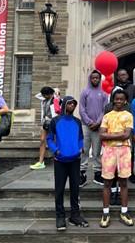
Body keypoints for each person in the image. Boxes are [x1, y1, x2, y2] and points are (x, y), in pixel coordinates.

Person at [47, 96, 88, 231]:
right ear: (64, 105)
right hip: (60, 161)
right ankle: (60, 216)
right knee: (59, 190)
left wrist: (80, 148)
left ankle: (75, 216)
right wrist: (55, 151)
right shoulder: (55, 121)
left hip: (75, 160)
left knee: (75, 189)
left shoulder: (77, 121)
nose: (72, 106)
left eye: (74, 104)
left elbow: (81, 138)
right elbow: (49, 139)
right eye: (69, 103)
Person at [99, 89, 134, 228]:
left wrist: (110, 135)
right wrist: (119, 134)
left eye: (121, 99)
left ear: (125, 101)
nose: (119, 101)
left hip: (124, 150)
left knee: (123, 182)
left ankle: (124, 212)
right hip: (109, 151)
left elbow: (127, 135)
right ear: (113, 100)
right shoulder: (107, 116)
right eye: (116, 99)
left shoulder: (128, 115)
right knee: (107, 182)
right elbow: (101, 135)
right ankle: (105, 213)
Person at [79, 70, 108, 186]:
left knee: (96, 151)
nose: (95, 79)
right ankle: (82, 173)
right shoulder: (85, 92)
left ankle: (97, 173)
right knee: (84, 150)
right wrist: (89, 122)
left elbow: (105, 109)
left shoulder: (104, 93)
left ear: (100, 79)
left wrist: (97, 123)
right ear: (90, 79)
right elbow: (81, 108)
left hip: (98, 127)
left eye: (97, 78)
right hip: (86, 126)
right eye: (93, 78)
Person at [115, 68, 135, 184]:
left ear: (128, 75)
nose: (122, 76)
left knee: (130, 149)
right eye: (120, 75)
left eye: (124, 74)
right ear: (118, 77)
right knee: (117, 148)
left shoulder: (132, 88)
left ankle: (130, 172)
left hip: (129, 120)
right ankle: (117, 171)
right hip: (116, 121)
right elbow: (111, 103)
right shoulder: (115, 88)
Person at [31, 87, 58, 170]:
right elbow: (37, 95)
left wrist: (55, 93)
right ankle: (41, 162)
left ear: (49, 94)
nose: (44, 96)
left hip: (54, 122)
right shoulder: (44, 100)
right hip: (45, 122)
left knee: (56, 140)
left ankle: (59, 158)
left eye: (45, 95)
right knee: (42, 140)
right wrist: (53, 90)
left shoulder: (56, 100)